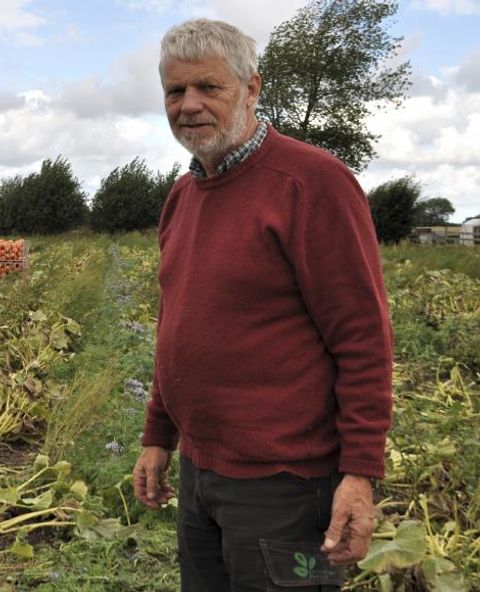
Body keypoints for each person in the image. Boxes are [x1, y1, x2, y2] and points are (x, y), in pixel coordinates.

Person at [132, 18, 393, 591]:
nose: (189, 105)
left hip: (287, 487)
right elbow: (174, 326)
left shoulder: (312, 183)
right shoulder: (184, 195)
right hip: (202, 475)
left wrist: (360, 475)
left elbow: (363, 339)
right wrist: (158, 437)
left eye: (209, 87)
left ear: (251, 89)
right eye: (176, 91)